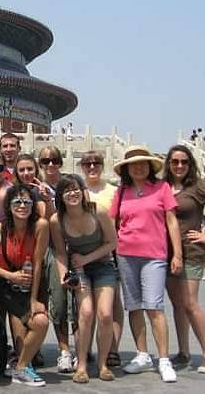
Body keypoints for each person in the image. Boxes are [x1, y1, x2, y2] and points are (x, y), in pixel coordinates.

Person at [110, 145, 182, 383]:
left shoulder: (161, 188)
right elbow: (112, 223)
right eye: (133, 164)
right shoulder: (121, 192)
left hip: (154, 255)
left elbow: (171, 222)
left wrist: (177, 254)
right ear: (126, 169)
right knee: (134, 306)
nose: (138, 167)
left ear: (150, 166)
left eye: (142, 163)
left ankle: (163, 359)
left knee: (154, 307)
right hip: (126, 254)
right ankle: (142, 355)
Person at [0, 184, 49, 388]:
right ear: (9, 206)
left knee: (40, 322)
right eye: (17, 201)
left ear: (33, 205)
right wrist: (10, 276)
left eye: (27, 202)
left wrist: (33, 299)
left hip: (15, 281)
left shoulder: (41, 226)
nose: (22, 206)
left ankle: (21, 367)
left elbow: (38, 263)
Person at [50, 175, 118, 383]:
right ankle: (81, 365)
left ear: (83, 190)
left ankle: (103, 364)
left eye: (76, 188)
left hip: (102, 265)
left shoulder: (99, 211)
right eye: (67, 190)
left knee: (105, 314)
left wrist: (86, 258)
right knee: (86, 313)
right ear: (60, 196)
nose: (73, 193)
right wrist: (63, 274)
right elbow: (61, 252)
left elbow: (112, 243)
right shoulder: (57, 220)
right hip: (79, 270)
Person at [163, 145, 205, 373]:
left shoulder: (198, 186)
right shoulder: (163, 187)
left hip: (191, 253)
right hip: (165, 253)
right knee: (177, 305)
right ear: (168, 163)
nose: (179, 166)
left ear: (190, 164)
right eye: (175, 161)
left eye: (184, 162)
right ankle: (184, 352)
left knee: (190, 303)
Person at [79, 151, 124, 367]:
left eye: (96, 163)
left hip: (110, 249)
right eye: (87, 163)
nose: (92, 167)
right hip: (83, 249)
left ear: (102, 165)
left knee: (111, 303)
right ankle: (85, 348)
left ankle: (112, 348)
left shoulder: (114, 191)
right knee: (85, 304)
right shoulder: (78, 190)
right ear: (82, 167)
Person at [37, 146, 74, 373]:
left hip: (75, 247)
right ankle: (63, 350)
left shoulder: (72, 184)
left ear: (60, 162)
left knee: (78, 303)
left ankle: (78, 349)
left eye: (54, 160)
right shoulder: (35, 189)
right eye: (45, 161)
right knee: (57, 302)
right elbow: (45, 218)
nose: (50, 164)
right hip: (50, 249)